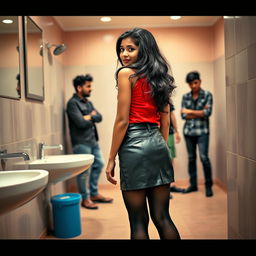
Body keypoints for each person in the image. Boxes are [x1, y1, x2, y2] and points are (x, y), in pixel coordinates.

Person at [105, 28, 180, 240]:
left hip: (133, 147)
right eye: (121, 49)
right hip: (158, 144)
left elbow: (122, 121)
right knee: (163, 217)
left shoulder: (125, 73)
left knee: (138, 222)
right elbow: (165, 120)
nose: (124, 54)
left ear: (144, 50)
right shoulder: (161, 77)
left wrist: (111, 159)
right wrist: (160, 147)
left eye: (131, 49)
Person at [66, 74, 113, 209]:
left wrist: (89, 117)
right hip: (81, 143)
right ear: (79, 88)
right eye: (88, 86)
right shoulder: (72, 103)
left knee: (99, 164)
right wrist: (89, 117)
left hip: (93, 141)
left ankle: (94, 193)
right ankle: (85, 198)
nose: (90, 89)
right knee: (84, 172)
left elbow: (99, 117)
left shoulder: (88, 102)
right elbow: (80, 123)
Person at [181, 71, 213, 197]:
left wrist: (189, 111)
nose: (193, 86)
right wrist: (199, 112)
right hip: (188, 132)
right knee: (191, 158)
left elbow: (207, 113)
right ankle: (193, 185)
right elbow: (183, 115)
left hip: (202, 132)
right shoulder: (185, 97)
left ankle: (208, 186)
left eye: (195, 82)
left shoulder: (207, 95)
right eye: (191, 84)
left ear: (200, 81)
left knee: (204, 158)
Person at [168, 104, 184, 199]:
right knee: (159, 162)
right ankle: (162, 189)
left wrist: (176, 131)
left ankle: (169, 186)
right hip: (156, 132)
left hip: (169, 133)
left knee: (170, 160)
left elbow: (171, 114)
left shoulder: (166, 96)